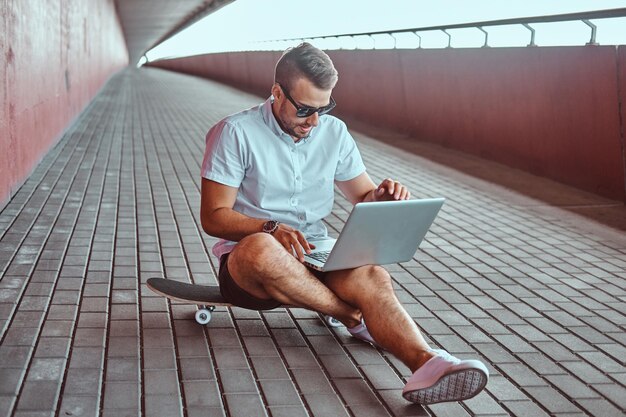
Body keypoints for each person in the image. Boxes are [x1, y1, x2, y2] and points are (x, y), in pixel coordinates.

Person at [200, 42, 488, 404]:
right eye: (304, 109)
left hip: (316, 253)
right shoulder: (234, 133)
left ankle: (429, 363)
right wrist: (269, 227)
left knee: (372, 275)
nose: (314, 120)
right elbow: (214, 217)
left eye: (324, 108)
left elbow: (363, 196)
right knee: (261, 249)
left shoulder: (333, 133)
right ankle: (353, 316)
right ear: (276, 93)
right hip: (253, 268)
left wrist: (382, 197)